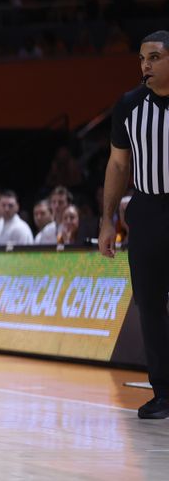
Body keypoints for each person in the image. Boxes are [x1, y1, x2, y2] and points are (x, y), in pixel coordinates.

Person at [100, 30, 169, 419]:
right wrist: (108, 220)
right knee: (150, 304)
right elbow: (118, 164)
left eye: (155, 57)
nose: (146, 65)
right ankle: (163, 392)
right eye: (143, 58)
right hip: (146, 210)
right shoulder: (128, 105)